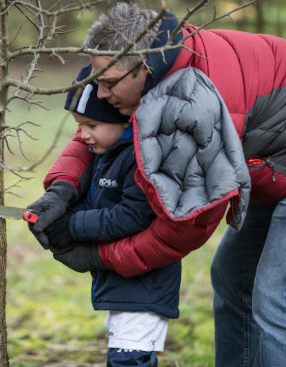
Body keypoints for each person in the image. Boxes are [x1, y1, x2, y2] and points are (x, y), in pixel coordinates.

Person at [28, 2, 286, 367]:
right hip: (282, 163)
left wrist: (96, 256)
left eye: (107, 84)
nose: (100, 94)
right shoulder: (152, 64)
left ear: (143, 67)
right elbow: (101, 126)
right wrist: (62, 188)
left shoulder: (196, 103)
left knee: (278, 296)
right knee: (232, 278)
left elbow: (183, 226)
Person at [36, 63, 181, 366]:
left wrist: (72, 226)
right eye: (79, 125)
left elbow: (130, 216)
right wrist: (58, 213)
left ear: (123, 120)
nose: (83, 135)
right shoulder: (105, 154)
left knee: (128, 360)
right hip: (122, 284)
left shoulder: (139, 159)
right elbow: (96, 200)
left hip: (144, 285)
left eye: (91, 125)